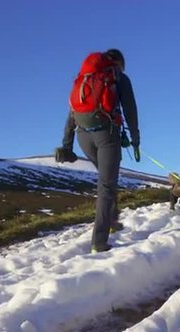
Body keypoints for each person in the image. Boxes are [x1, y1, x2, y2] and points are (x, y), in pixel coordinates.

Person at [55, 49, 140, 253]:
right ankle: (99, 242)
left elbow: (72, 113)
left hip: (84, 137)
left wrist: (67, 145)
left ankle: (111, 219)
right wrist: (135, 140)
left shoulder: (85, 79)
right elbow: (130, 110)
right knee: (106, 186)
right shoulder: (118, 77)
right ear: (119, 63)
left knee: (106, 179)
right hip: (106, 135)